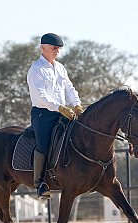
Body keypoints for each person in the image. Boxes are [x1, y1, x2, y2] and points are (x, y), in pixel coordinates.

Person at [27, 33, 84, 199]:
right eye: (54, 48)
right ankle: (40, 183)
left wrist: (77, 104)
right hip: (43, 114)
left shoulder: (60, 68)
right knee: (44, 145)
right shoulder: (36, 69)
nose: (57, 50)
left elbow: (69, 88)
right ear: (43, 48)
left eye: (59, 48)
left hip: (63, 111)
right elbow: (41, 96)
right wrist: (59, 107)